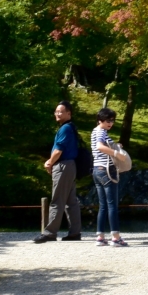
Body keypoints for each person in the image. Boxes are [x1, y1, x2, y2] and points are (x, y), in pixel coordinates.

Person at [33, 101, 83, 243]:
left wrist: (49, 162)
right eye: (56, 111)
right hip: (70, 166)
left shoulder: (65, 129)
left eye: (61, 111)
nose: (57, 114)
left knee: (57, 200)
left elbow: (59, 150)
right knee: (70, 201)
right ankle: (75, 232)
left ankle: (50, 233)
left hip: (63, 166)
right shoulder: (70, 127)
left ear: (69, 113)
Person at [91, 107, 127, 247]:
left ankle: (100, 236)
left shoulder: (96, 131)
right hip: (106, 170)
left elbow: (101, 146)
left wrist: (115, 146)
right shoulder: (101, 131)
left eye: (112, 121)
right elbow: (100, 147)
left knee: (103, 206)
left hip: (96, 170)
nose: (110, 123)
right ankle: (116, 238)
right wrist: (117, 154)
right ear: (100, 120)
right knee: (112, 205)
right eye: (107, 121)